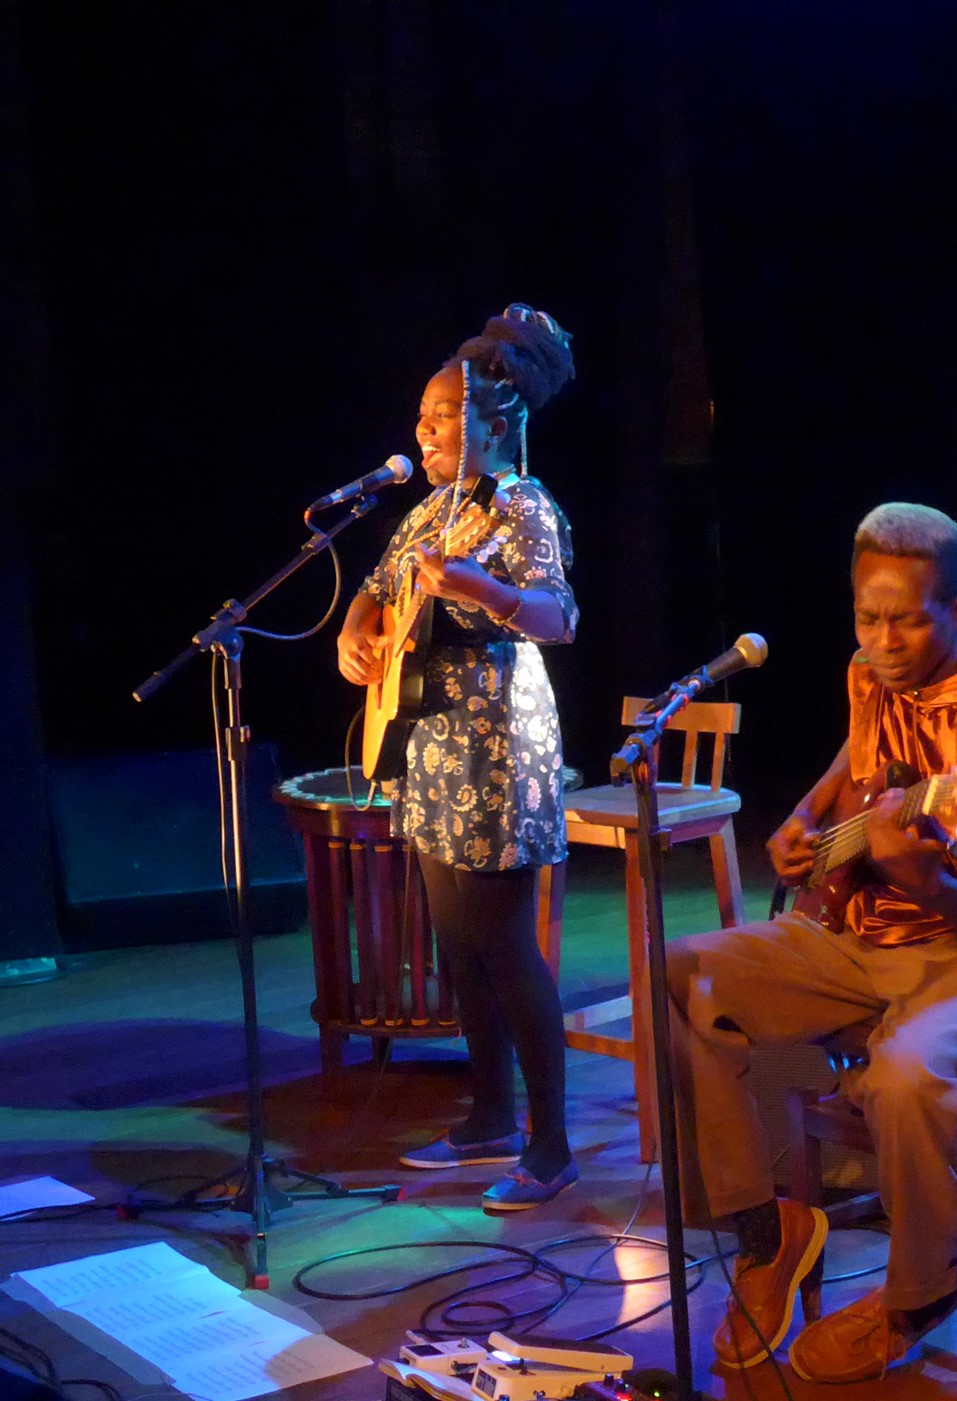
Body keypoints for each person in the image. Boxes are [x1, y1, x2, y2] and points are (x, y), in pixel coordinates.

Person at [666, 502, 957, 1380]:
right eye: (867, 617)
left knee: (906, 1076)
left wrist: (931, 882)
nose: (883, 641)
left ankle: (917, 1293)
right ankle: (768, 1229)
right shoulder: (870, 669)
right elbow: (860, 756)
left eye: (908, 621)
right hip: (861, 931)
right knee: (685, 970)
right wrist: (808, 818)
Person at [337, 304, 579, 1211]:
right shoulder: (430, 511)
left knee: (504, 944)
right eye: (423, 416)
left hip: (497, 746)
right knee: (458, 944)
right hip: (430, 742)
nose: (425, 432)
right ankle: (489, 1119)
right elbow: (374, 590)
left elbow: (558, 615)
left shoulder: (523, 506)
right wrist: (355, 633)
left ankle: (551, 1147)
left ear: (497, 424)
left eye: (443, 416)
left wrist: (483, 588)